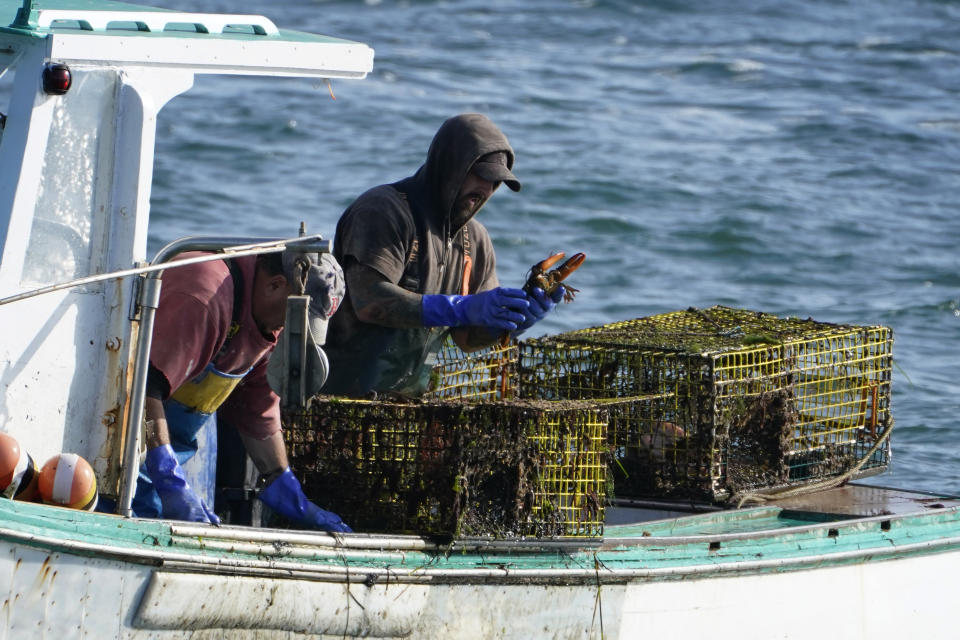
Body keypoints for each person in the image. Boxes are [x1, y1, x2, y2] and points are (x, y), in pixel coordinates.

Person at [322, 113, 564, 397]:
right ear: (448, 166)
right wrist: (460, 307)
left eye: (495, 182)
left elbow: (467, 338)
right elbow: (369, 301)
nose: (485, 189)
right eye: (480, 175)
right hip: (337, 394)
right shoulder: (383, 211)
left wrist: (514, 321)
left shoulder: (476, 241)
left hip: (406, 403)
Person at [131, 249, 352, 532]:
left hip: (161, 472)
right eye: (291, 318)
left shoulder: (266, 323)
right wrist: (166, 476)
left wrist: (284, 484)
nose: (288, 328)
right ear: (275, 285)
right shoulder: (204, 296)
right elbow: (142, 386)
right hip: (117, 451)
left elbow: (257, 412)